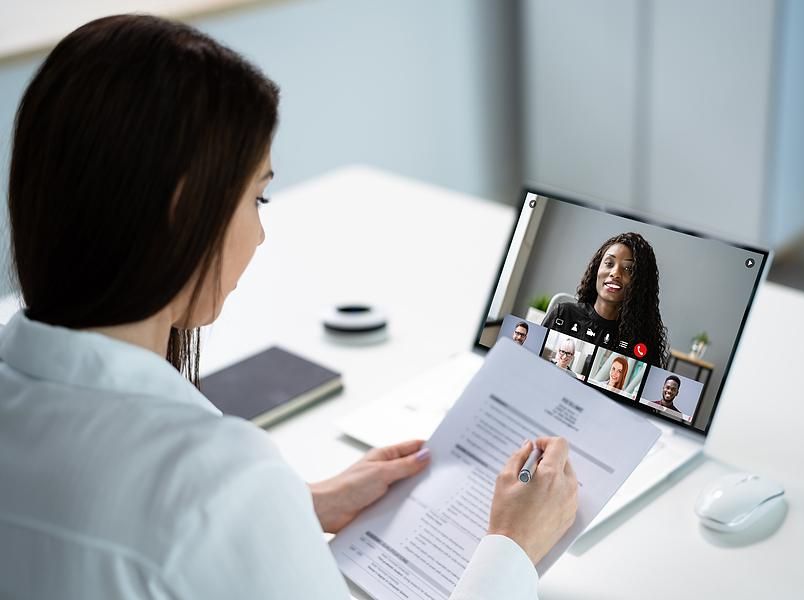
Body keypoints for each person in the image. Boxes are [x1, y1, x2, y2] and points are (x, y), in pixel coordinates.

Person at [0, 15, 578, 599]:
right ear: (182, 212)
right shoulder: (219, 484)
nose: (261, 233)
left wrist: (296, 508)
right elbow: (183, 522)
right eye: (258, 196)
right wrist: (511, 547)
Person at [542, 232, 668, 368]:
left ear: (640, 283)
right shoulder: (564, 314)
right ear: (597, 269)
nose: (615, 273)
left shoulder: (641, 343)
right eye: (609, 263)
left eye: (628, 269)